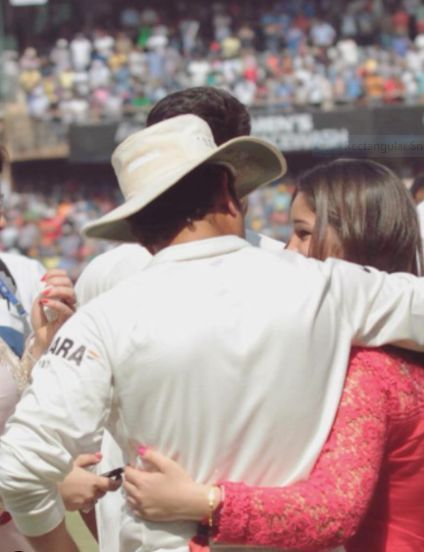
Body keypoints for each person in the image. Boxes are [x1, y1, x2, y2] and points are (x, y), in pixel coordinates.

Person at [2, 117, 424, 552]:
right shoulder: (332, 288)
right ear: (228, 192)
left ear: (141, 231)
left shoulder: (107, 317)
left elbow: (19, 467)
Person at [122, 159, 424, 551]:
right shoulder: (395, 350)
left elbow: (331, 513)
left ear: (355, 237)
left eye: (302, 233)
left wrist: (200, 501)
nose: (289, 249)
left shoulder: (367, 370)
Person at [75, 86, 284, 552]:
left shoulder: (291, 270)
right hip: (148, 527)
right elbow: (84, 431)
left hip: (250, 525)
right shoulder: (108, 274)